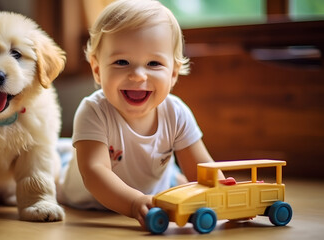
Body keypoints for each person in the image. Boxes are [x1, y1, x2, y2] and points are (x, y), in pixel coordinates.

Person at [56, 0, 222, 229]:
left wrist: (225, 195)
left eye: (153, 63)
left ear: (173, 74)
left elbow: (202, 168)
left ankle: (170, 179)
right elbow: (95, 172)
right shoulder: (93, 111)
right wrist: (134, 203)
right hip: (87, 200)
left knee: (177, 182)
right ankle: (63, 155)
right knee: (51, 175)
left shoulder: (177, 113)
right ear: (97, 69)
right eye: (121, 62)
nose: (138, 76)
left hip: (155, 186)